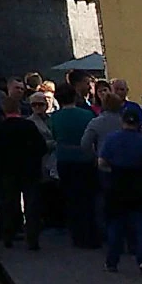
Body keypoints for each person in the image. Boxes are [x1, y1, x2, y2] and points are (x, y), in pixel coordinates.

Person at [98, 104, 142, 275]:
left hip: (116, 185)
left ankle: (112, 261)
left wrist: (114, 170)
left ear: (122, 120)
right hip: (139, 187)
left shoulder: (112, 139)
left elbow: (102, 163)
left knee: (115, 225)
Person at [0, 94, 48, 250]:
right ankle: (32, 238)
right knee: (31, 204)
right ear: (18, 109)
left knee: (9, 203)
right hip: (30, 169)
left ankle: (8, 235)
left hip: (8, 170)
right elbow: (42, 147)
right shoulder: (29, 126)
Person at [49, 81, 99, 249]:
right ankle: (91, 233)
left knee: (71, 198)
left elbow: (54, 136)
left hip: (64, 158)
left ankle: (77, 235)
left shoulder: (54, 118)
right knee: (87, 197)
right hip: (85, 158)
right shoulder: (87, 115)